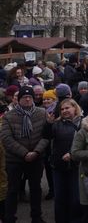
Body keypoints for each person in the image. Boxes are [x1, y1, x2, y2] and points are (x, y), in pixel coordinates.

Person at [0, 86, 49, 223]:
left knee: (35, 188)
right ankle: (9, 218)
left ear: (33, 98)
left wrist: (36, 151)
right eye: (24, 97)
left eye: (30, 97)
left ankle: (37, 217)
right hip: (14, 159)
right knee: (12, 190)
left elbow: (46, 135)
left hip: (36, 157)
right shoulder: (9, 116)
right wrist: (25, 153)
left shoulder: (42, 113)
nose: (27, 99)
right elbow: (6, 138)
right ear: (19, 100)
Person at [44, 98, 83, 223]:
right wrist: (49, 124)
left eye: (67, 108)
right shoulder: (56, 124)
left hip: (77, 166)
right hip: (58, 166)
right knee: (60, 198)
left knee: (76, 198)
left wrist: (72, 154)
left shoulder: (84, 122)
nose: (65, 111)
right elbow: (46, 136)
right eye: (62, 109)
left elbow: (87, 143)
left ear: (74, 108)